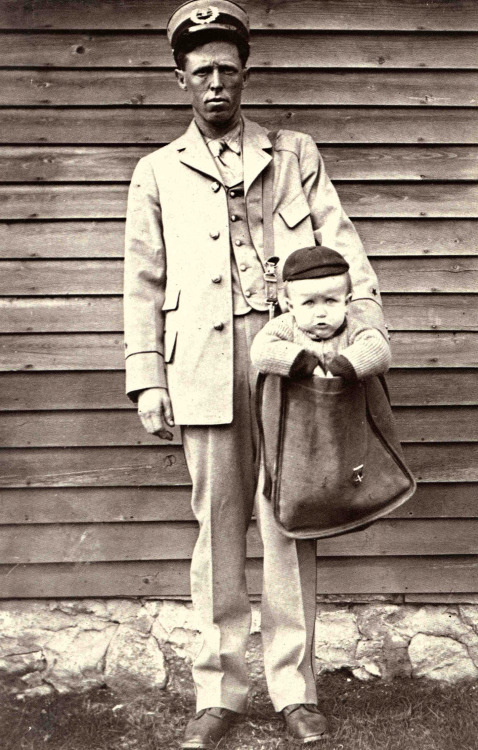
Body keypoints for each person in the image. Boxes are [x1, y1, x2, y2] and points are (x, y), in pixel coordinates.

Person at [123, 1, 388, 746]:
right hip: (201, 368)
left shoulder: (294, 155)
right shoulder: (156, 173)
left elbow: (346, 252)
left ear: (246, 77)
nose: (216, 85)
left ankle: (294, 690)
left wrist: (359, 342)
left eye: (228, 73)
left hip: (291, 367)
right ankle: (218, 693)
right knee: (216, 532)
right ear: (180, 79)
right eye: (202, 72)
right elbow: (141, 281)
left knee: (289, 522)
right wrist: (148, 378)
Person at [250, 245, 391, 383]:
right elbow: (260, 351)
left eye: (330, 301)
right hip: (297, 402)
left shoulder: (354, 329)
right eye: (309, 303)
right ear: (291, 306)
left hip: (346, 402)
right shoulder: (285, 326)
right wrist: (303, 363)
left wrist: (342, 368)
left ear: (347, 302)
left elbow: (379, 350)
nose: (321, 313)